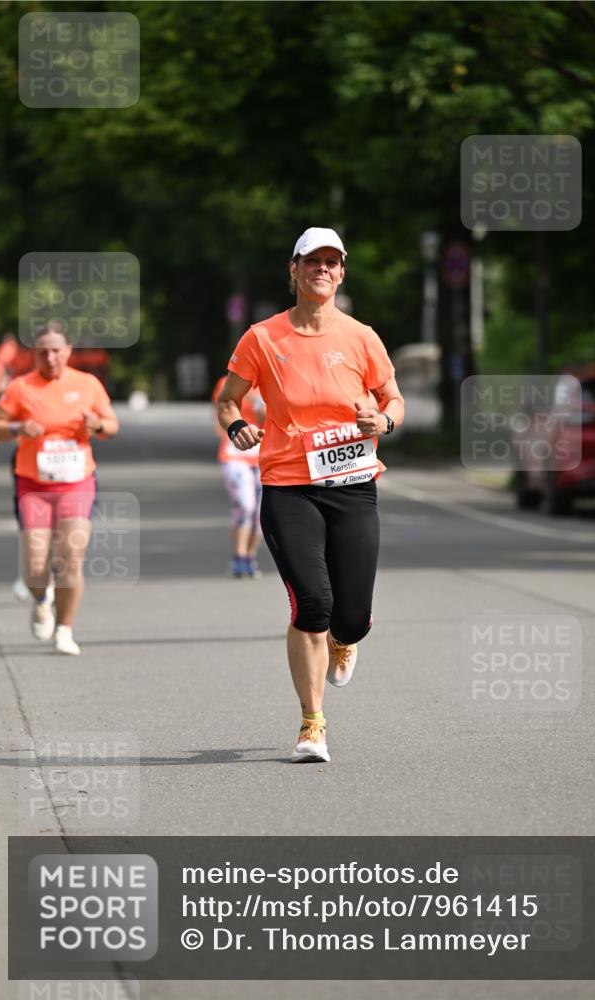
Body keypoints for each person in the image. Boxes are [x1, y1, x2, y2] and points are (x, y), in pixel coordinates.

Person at [217, 227, 405, 762]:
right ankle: (312, 725)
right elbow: (230, 400)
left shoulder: (361, 336)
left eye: (332, 262)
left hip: (353, 484)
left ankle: (346, 639)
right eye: (312, 261)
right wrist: (238, 429)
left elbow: (393, 398)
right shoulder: (262, 338)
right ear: (293, 271)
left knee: (352, 615)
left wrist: (384, 419)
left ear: (342, 272)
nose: (322, 269)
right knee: (312, 603)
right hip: (288, 486)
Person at [0, 321, 119, 655]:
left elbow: (111, 426)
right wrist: (18, 427)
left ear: (68, 351)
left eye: (56, 351)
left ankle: (65, 630)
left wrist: (98, 425)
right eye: (42, 352)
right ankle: (41, 598)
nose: (50, 357)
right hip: (33, 485)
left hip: (77, 482)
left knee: (70, 559)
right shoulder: (20, 387)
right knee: (35, 569)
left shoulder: (87, 384)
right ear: (34, 354)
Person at [212, 374, 265, 577]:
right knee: (245, 505)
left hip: (264, 455)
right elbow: (223, 412)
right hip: (234, 455)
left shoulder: (271, 380)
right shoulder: (226, 382)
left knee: (261, 512)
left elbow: (272, 417)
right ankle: (238, 556)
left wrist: (259, 405)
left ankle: (250, 557)